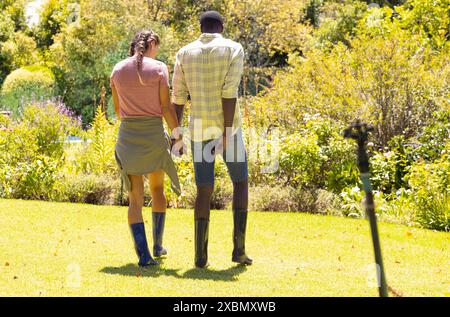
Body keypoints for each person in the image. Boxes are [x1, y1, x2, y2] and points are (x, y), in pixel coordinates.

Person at [172, 11, 252, 268]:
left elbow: (178, 98)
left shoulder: (184, 53)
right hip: (229, 130)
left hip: (199, 132)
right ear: (221, 27)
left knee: (204, 188)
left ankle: (200, 256)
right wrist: (228, 133)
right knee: (240, 182)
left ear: (201, 27)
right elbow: (229, 93)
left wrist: (176, 136)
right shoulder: (233, 49)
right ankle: (238, 251)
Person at [111, 29, 185, 267]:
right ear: (152, 43)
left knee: (135, 199)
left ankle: (143, 255)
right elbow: (166, 108)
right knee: (157, 190)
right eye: (157, 48)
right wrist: (177, 137)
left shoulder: (117, 70)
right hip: (153, 137)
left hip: (129, 137)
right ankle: (157, 245)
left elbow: (118, 112)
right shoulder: (160, 68)